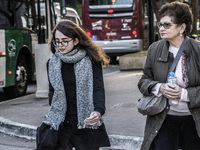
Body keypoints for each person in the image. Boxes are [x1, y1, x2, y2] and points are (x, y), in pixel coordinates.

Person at [138, 2, 200, 150]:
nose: (161, 29)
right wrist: (159, 87)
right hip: (163, 118)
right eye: (160, 24)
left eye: (167, 25)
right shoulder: (155, 49)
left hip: (194, 119)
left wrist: (184, 94)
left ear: (182, 27)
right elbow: (143, 81)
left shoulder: (197, 50)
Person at [45, 19, 111, 150]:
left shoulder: (91, 60)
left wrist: (98, 111)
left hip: (85, 122)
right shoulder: (52, 63)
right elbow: (52, 91)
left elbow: (98, 88)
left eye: (65, 41)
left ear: (75, 41)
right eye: (57, 41)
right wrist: (55, 109)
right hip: (62, 124)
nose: (60, 45)